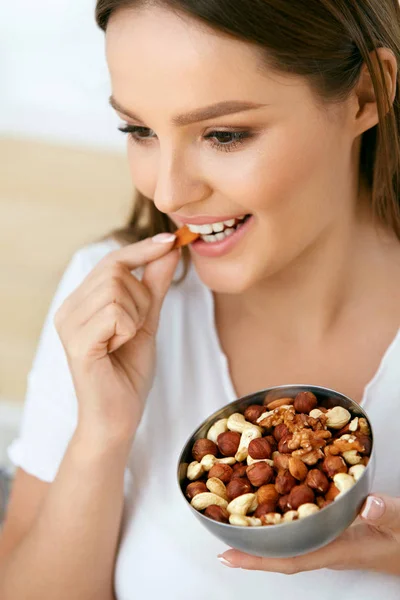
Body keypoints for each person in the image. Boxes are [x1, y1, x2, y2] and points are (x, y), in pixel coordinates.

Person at [0, 1, 400, 598]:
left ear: (366, 95)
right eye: (139, 131)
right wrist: (102, 435)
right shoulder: (109, 305)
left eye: (224, 134)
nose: (168, 191)